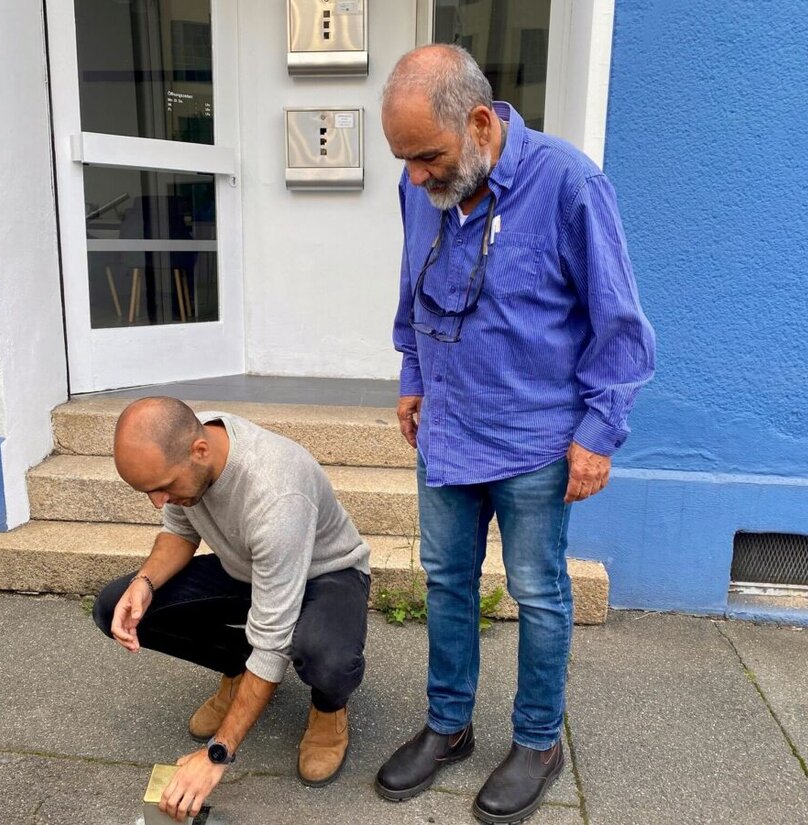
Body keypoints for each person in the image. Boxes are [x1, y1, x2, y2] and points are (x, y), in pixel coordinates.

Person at [374, 45, 656, 824]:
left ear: (478, 122)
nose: (418, 177)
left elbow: (621, 324)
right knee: (448, 582)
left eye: (427, 157)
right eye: (405, 162)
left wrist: (600, 431)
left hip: (536, 440)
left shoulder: (568, 182)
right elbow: (412, 279)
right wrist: (412, 376)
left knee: (537, 591)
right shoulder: (421, 181)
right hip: (447, 430)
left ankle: (538, 740)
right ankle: (448, 725)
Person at [93, 397, 371, 822]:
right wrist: (143, 583)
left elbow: (272, 639)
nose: (158, 502)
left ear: (199, 452)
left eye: (163, 487)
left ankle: (328, 710)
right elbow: (179, 532)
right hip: (247, 568)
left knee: (324, 657)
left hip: (326, 573)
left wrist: (217, 754)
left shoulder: (277, 493)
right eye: (148, 491)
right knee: (116, 607)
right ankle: (237, 670)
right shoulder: (189, 447)